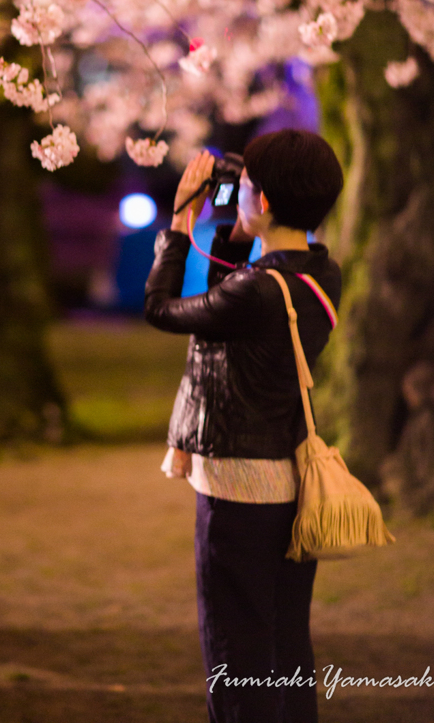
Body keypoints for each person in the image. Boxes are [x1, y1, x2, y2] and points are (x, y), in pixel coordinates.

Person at [144, 128, 344, 723]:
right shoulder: (319, 275)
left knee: (236, 651)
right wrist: (237, 223)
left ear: (265, 201)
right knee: (284, 646)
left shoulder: (257, 292)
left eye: (249, 186)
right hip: (288, 483)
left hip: (237, 494)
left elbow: (161, 310)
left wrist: (181, 226)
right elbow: (226, 300)